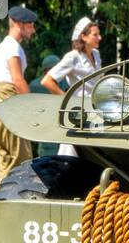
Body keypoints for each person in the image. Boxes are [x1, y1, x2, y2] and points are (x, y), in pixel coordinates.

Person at [0, 4, 37, 200]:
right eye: (30, 25)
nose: (33, 30)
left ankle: (3, 204)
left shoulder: (7, 46)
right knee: (19, 161)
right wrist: (33, 106)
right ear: (17, 24)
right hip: (9, 102)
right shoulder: (12, 47)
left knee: (9, 160)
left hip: (3, 103)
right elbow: (17, 80)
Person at [42, 17, 103, 157]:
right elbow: (47, 81)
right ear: (83, 36)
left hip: (96, 111)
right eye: (95, 34)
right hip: (79, 113)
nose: (99, 37)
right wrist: (67, 99)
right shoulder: (73, 57)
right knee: (70, 150)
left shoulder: (96, 55)